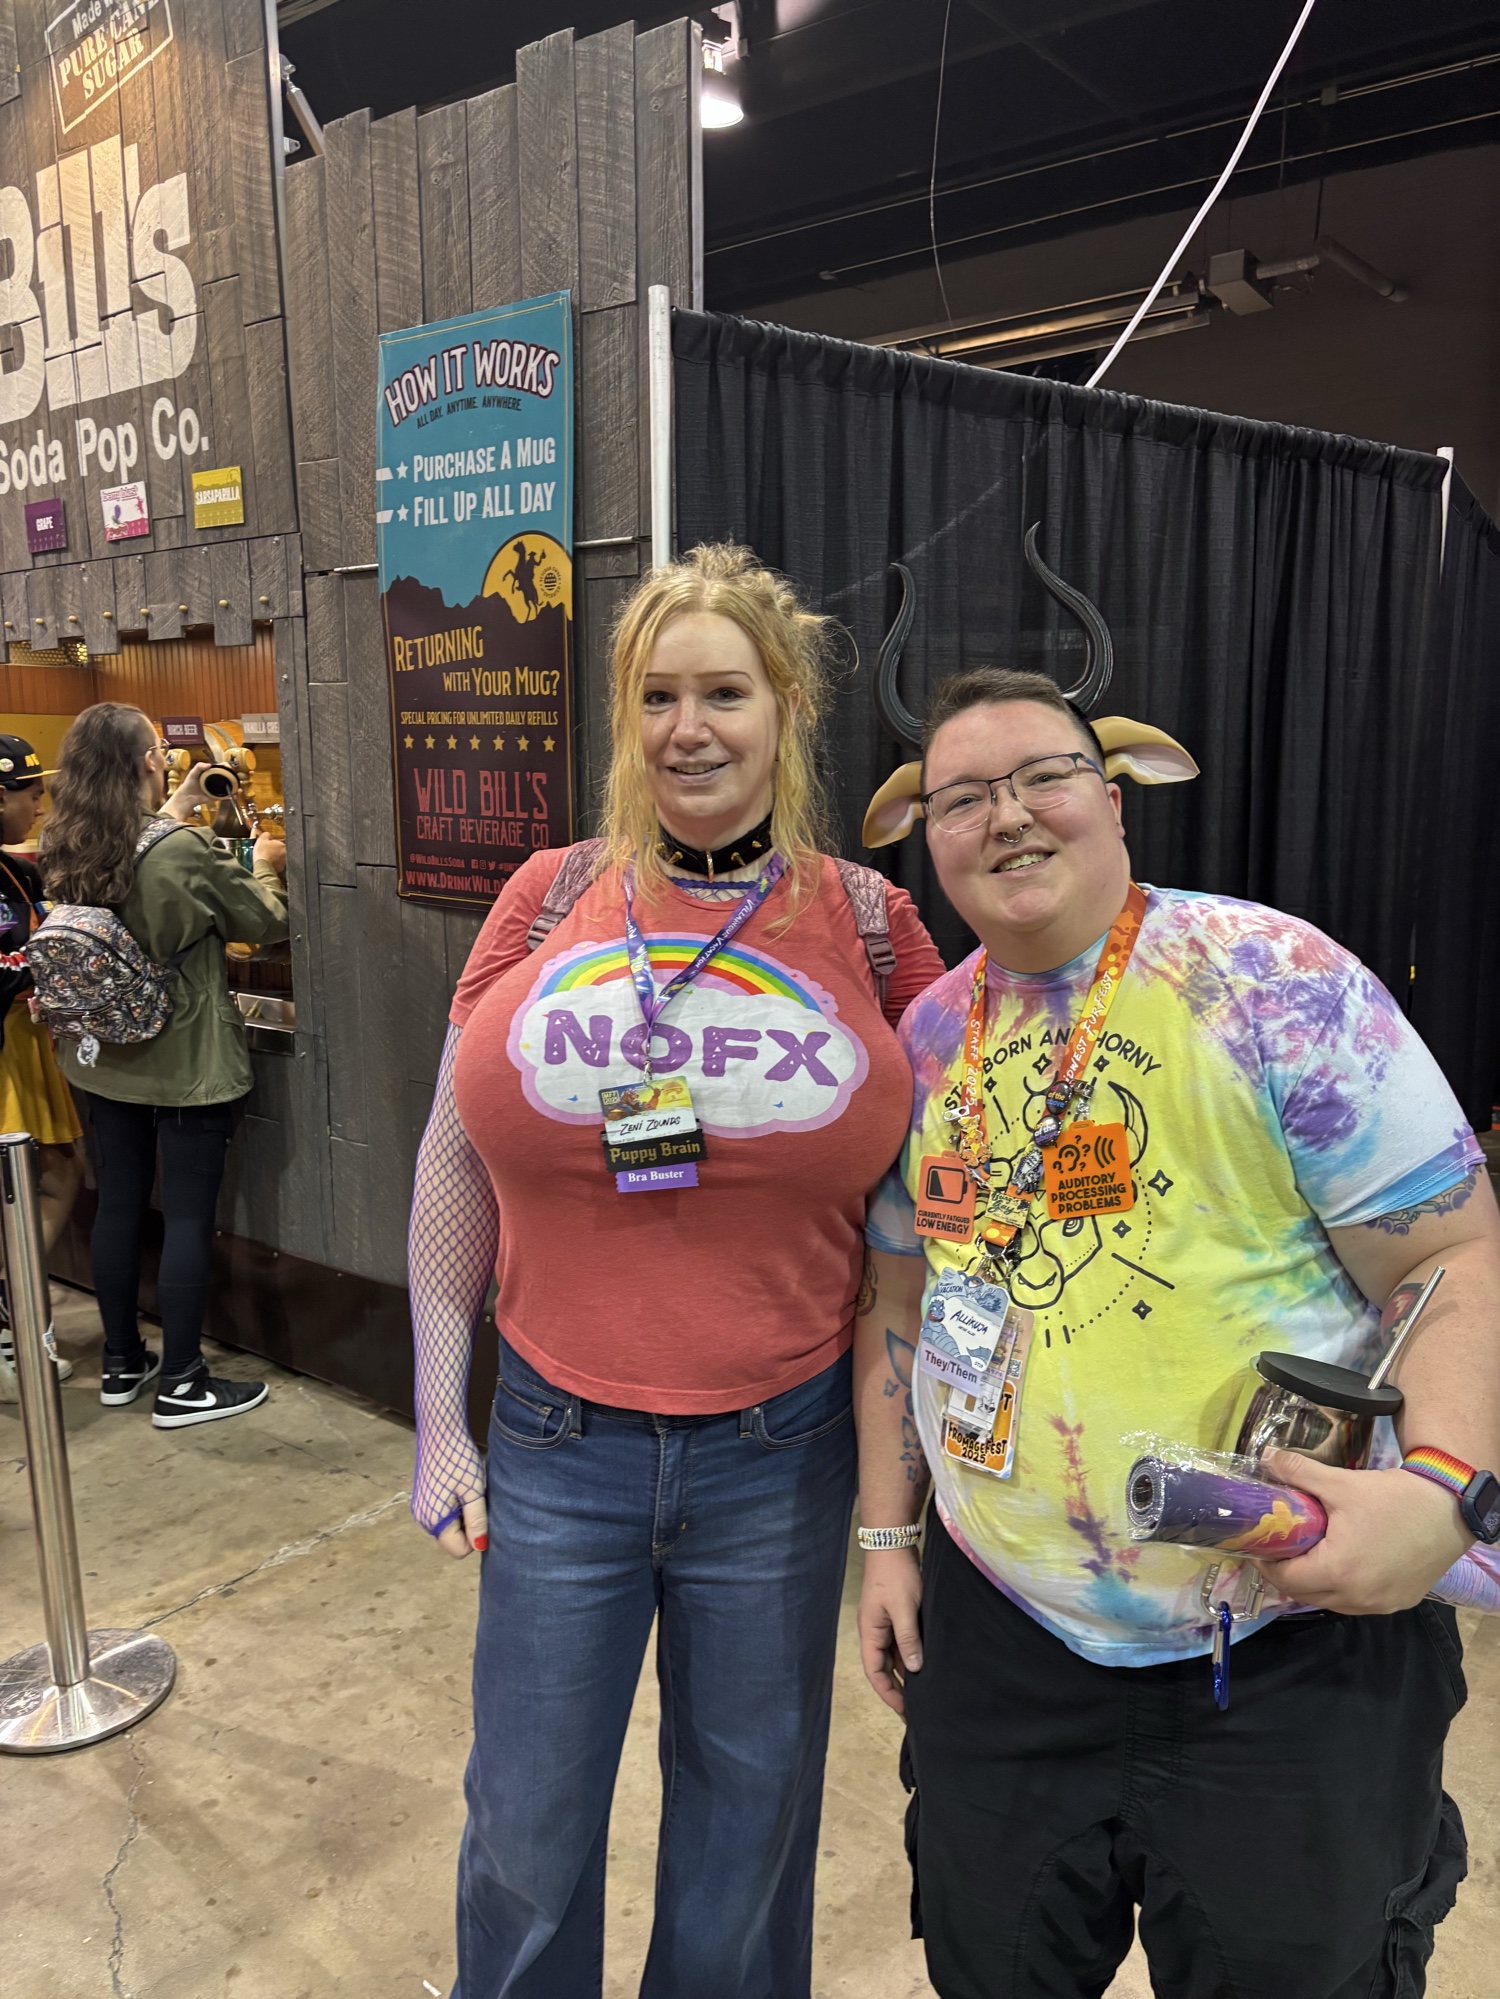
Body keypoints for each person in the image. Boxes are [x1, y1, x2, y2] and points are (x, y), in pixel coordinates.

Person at [856, 666, 1500, 1999]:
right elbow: (901, 1307)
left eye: (1045, 775)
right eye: (964, 795)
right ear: (927, 835)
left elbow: (1452, 1251)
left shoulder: (1275, 980)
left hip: (1284, 1639)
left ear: (1116, 794)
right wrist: (886, 1540)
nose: (1008, 813)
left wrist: (1444, 1490)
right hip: (1003, 1636)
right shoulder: (923, 1042)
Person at [408, 543, 947, 1999]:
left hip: (781, 1458)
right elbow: (453, 1160)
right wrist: (442, 1414)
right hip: (555, 1445)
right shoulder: (548, 896)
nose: (688, 727)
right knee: (523, 1838)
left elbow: (935, 1211)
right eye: (658, 695)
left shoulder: (872, 924)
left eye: (724, 692)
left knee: (744, 1842)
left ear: (787, 710)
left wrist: (899, 1509)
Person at [39, 704, 289, 1428]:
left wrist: (174, 813)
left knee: (118, 1203)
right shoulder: (180, 847)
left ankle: (123, 1360)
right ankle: (183, 1380)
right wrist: (266, 866)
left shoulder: (66, 840)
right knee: (185, 1216)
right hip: (184, 1062)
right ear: (151, 761)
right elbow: (262, 922)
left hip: (101, 1058)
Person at [0, 734, 83, 1394]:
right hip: (5, 1051)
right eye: (30, 793)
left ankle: (14, 1316)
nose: (39, 804)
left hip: (27, 1046)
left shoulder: (17, 872)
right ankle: (10, 1328)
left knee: (58, 1173)